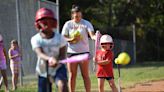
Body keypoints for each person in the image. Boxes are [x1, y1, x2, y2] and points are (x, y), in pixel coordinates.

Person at [31, 8, 68, 92]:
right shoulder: (36, 39)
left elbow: (62, 54)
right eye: (43, 21)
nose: (46, 23)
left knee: (62, 85)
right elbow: (39, 53)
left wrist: (58, 61)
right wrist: (50, 59)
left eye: (49, 20)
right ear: (38, 24)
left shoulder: (60, 38)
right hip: (42, 70)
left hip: (58, 67)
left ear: (53, 22)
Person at [61, 5, 95, 92]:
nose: (78, 18)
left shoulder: (86, 23)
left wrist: (96, 37)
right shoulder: (68, 24)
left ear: (81, 15)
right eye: (76, 16)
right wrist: (71, 39)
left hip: (84, 52)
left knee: (85, 75)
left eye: (79, 16)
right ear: (72, 15)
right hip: (71, 52)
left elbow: (92, 35)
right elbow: (63, 37)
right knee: (72, 75)